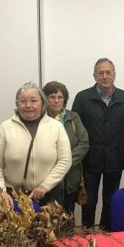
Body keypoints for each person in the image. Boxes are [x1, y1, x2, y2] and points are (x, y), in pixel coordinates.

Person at [72, 58, 124, 230]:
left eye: (108, 72)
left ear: (114, 75)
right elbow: (74, 131)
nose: (105, 76)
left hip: (115, 159)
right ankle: (87, 232)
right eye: (101, 73)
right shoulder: (83, 98)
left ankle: (106, 232)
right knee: (89, 201)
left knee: (110, 200)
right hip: (90, 160)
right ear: (95, 76)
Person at [0, 81, 71, 208]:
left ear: (42, 103)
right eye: (23, 101)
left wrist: (45, 186)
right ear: (17, 104)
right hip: (13, 197)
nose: (28, 105)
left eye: (33, 101)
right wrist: (0, 191)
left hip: (49, 195)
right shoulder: (5, 128)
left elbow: (65, 160)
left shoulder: (56, 127)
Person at [42, 81, 89, 214]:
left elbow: (84, 143)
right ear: (45, 99)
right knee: (48, 216)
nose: (56, 101)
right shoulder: (39, 119)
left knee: (68, 214)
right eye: (52, 97)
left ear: (65, 99)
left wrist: (65, 162)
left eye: (60, 97)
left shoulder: (73, 117)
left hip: (70, 177)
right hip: (46, 177)